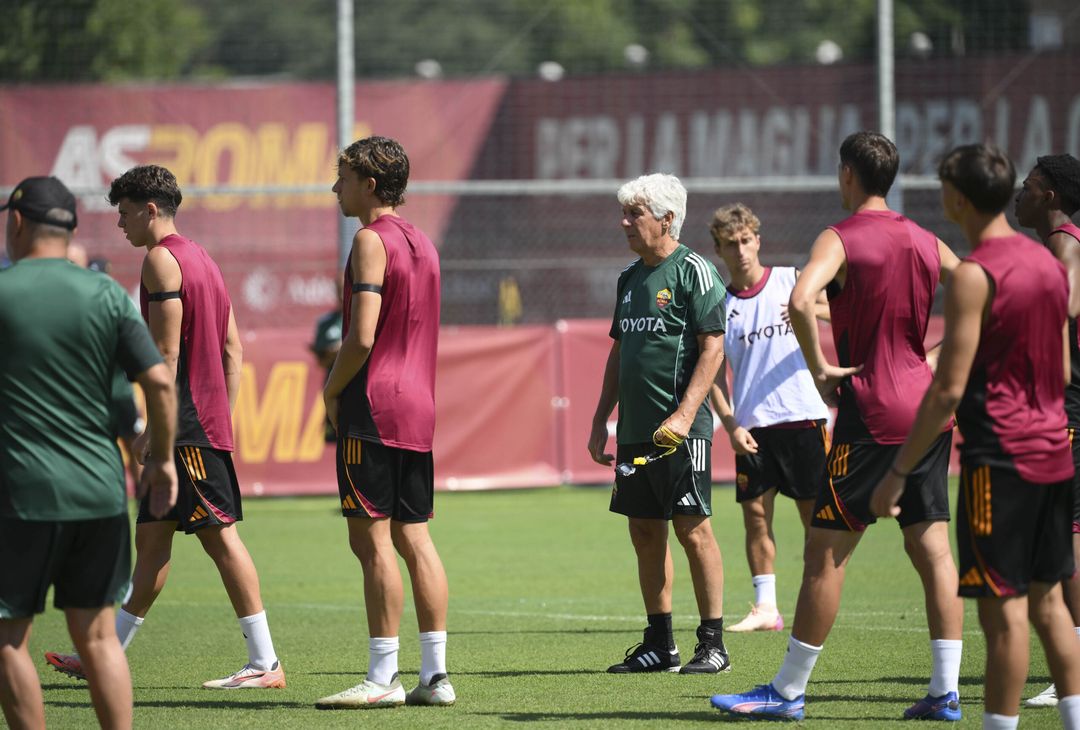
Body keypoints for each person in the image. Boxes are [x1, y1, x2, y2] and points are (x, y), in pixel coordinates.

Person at [711, 131, 964, 721]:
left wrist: (820, 365)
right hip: (927, 411)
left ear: (848, 174)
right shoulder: (925, 237)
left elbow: (800, 298)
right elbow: (984, 294)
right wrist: (937, 355)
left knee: (824, 554)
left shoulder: (841, 236)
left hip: (870, 414)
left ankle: (787, 691)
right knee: (933, 549)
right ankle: (945, 691)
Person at [44, 165, 285, 690]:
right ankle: (104, 655)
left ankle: (265, 663)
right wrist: (220, 416)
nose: (120, 225)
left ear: (150, 210)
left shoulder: (160, 260)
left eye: (125, 213)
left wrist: (160, 427)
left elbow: (167, 353)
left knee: (221, 538)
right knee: (152, 548)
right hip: (198, 424)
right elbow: (233, 350)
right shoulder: (204, 260)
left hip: (185, 430)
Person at [870, 143, 1080, 729]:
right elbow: (1061, 370)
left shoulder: (975, 275)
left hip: (1000, 462)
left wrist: (897, 473)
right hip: (1053, 454)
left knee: (1003, 615)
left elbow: (946, 389)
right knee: (1050, 605)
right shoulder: (1049, 262)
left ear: (956, 198)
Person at [0, 176, 177, 730]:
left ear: (17, 222)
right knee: (99, 636)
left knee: (8, 640)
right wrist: (161, 459)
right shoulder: (103, 295)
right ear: (71, 229)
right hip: (99, 496)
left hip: (19, 496)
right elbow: (157, 385)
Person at [314, 136, 453, 709]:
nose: (335, 187)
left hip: (373, 405)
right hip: (419, 406)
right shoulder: (424, 243)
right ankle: (436, 677)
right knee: (414, 536)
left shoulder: (370, 240)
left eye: (343, 177)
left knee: (370, 541)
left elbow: (363, 335)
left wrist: (330, 388)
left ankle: (381, 678)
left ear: (370, 184)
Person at [588, 173, 730, 675]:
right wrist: (600, 418)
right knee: (645, 534)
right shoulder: (628, 278)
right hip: (634, 433)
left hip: (681, 431)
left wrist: (686, 414)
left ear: (667, 219)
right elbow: (620, 350)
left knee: (693, 530)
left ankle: (713, 643)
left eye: (635, 214)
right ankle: (659, 643)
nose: (625, 222)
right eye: (624, 213)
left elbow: (713, 348)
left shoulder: (695, 271)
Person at [707, 203, 831, 634]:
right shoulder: (720, 306)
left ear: (757, 240)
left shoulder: (791, 282)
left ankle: (820, 597)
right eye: (730, 244)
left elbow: (841, 309)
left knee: (815, 519)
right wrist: (730, 424)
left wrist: (808, 310)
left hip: (803, 417)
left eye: (746, 240)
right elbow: (712, 376)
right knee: (756, 517)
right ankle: (766, 608)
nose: (740, 250)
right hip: (754, 426)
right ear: (718, 250)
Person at [1013, 152, 1080, 708]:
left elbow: (1065, 303)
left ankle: (1072, 672)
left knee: (1064, 540)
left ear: (1051, 196)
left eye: (1029, 186)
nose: (1020, 193)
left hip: (1069, 412)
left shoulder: (1065, 242)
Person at [311, 278, 344, 442]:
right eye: (340, 289)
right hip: (334, 389)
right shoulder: (326, 323)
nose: (343, 293)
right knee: (337, 440)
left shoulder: (365, 317)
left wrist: (341, 349)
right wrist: (332, 354)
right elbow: (321, 361)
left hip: (358, 388)